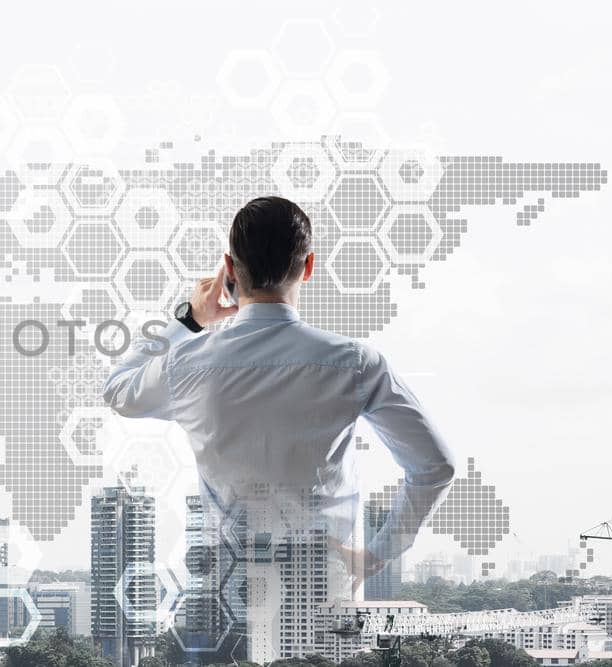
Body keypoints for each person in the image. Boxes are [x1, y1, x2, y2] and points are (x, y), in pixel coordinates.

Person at [102, 195, 456, 590]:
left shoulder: (186, 363)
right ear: (308, 266)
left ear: (230, 270)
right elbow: (435, 466)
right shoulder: (354, 363)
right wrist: (378, 554)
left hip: (227, 589)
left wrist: (190, 319)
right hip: (324, 587)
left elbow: (117, 391)